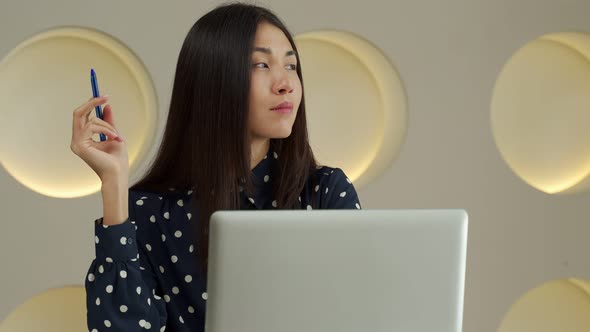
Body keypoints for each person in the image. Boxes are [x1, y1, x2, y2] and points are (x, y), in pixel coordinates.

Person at [70, 2, 361, 331]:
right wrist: (113, 184)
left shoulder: (325, 193)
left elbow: (359, 313)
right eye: (261, 65)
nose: (286, 84)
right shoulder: (147, 211)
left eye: (291, 66)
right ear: (214, 81)